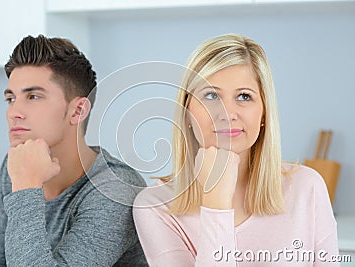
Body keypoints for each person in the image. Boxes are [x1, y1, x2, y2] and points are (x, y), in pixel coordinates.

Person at [133, 34, 339, 266]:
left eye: (244, 96)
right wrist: (216, 204)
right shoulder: (155, 206)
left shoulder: (307, 187)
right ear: (186, 112)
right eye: (211, 96)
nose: (227, 113)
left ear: (264, 113)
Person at [0, 35, 148, 266]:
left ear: (77, 111)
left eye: (33, 96)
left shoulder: (115, 190)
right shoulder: (17, 165)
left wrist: (26, 188)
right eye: (11, 98)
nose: (14, 112)